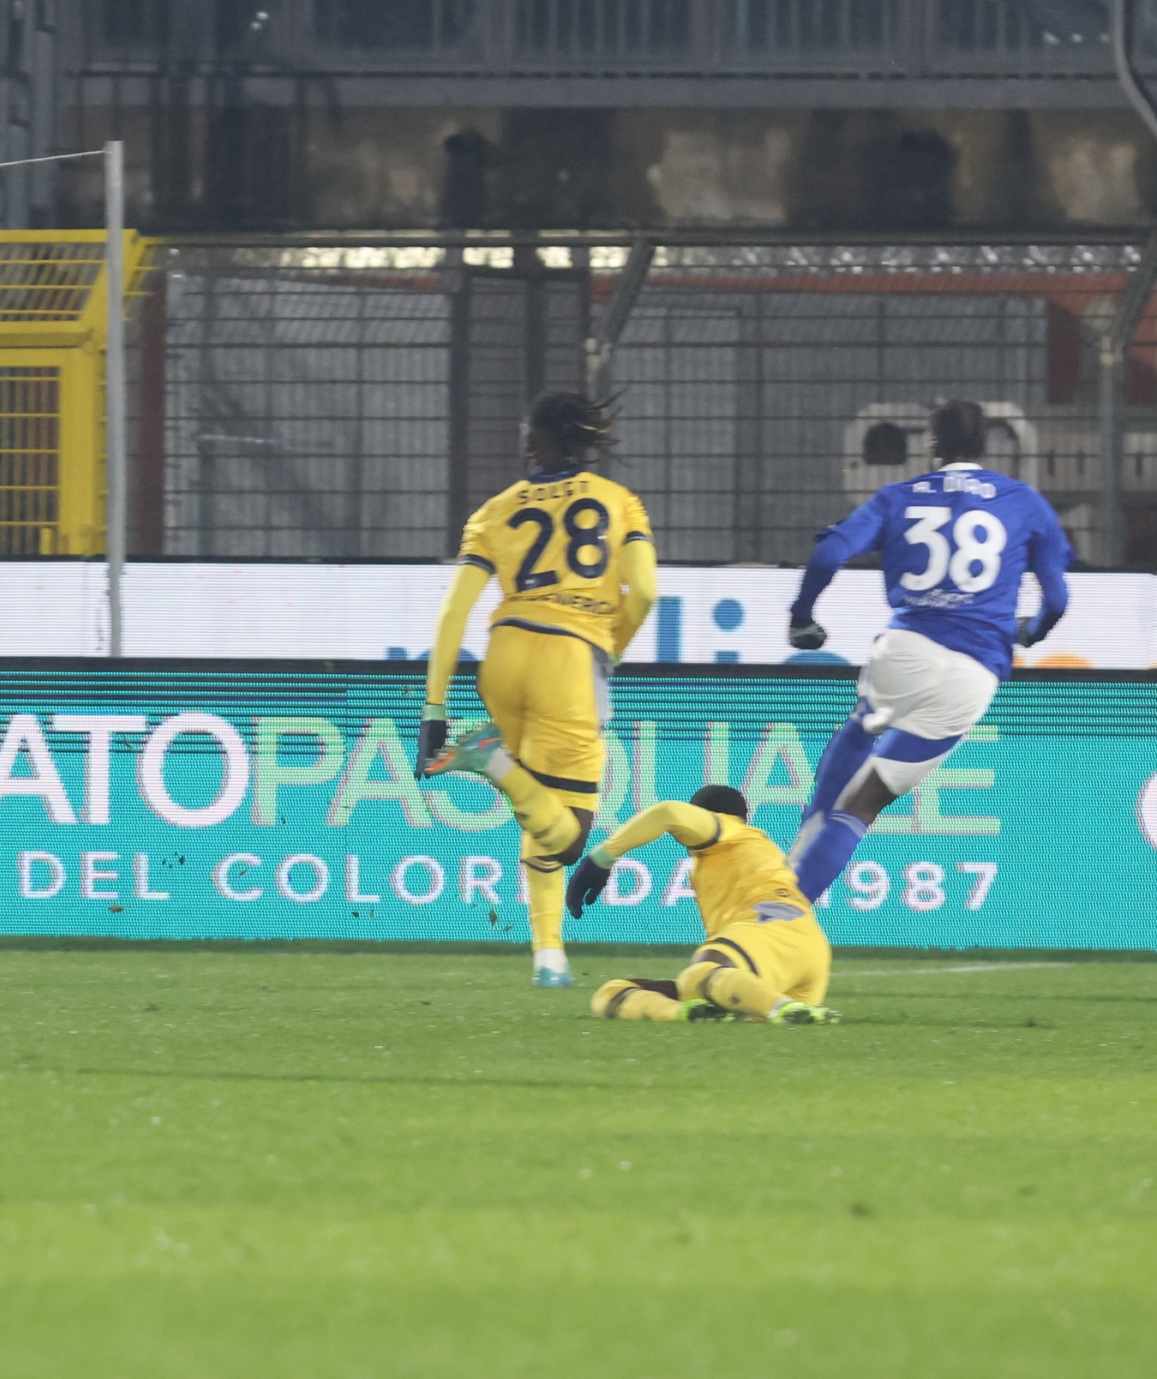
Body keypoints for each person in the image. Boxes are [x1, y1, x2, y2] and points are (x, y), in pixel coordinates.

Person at [782, 398, 1069, 905]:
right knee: (864, 804)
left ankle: (803, 841)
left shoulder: (899, 496)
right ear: (986, 445)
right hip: (976, 669)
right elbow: (1059, 598)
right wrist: (1033, 631)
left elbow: (828, 552)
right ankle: (782, 915)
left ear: (932, 444)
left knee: (861, 725)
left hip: (906, 647)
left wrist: (802, 616)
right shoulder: (1024, 502)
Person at [415, 392, 658, 988]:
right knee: (571, 833)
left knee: (539, 807)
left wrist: (434, 708)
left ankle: (549, 957)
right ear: (587, 441)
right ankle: (488, 758)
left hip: (504, 654)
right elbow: (646, 591)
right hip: (570, 660)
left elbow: (453, 612)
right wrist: (611, 644)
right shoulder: (619, 502)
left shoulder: (494, 511)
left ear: (531, 444)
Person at [566, 784, 838, 1024]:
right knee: (611, 993)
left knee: (698, 975)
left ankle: (781, 1009)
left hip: (766, 926)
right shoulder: (752, 849)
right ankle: (693, 1013)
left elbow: (668, 813)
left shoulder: (728, 828)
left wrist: (602, 858)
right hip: (808, 948)